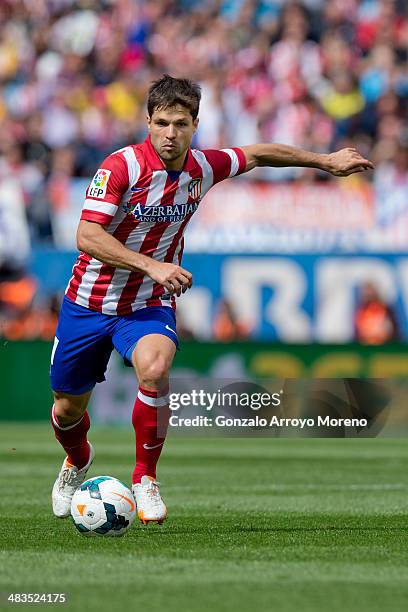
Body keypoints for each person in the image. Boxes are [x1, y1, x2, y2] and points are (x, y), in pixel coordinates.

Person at [50, 74, 373, 525]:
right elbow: (86, 234)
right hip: (88, 301)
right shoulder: (120, 167)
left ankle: (145, 477)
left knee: (156, 367)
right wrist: (152, 265)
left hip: (146, 304)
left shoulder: (204, 167)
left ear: (195, 124)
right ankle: (76, 460)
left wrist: (325, 160)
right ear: (148, 121)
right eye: (161, 123)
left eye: (180, 124)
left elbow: (259, 154)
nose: (170, 133)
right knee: (67, 409)